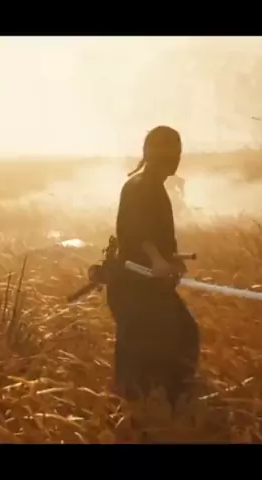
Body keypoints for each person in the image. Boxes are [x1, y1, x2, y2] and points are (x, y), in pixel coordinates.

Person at [107, 126, 200, 408]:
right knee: (146, 352)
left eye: (178, 151)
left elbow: (152, 234)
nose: (176, 158)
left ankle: (171, 407)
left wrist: (172, 259)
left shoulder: (152, 185)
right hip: (134, 286)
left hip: (147, 285)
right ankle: (141, 414)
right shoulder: (141, 187)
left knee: (180, 335)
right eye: (171, 152)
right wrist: (157, 260)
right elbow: (138, 233)